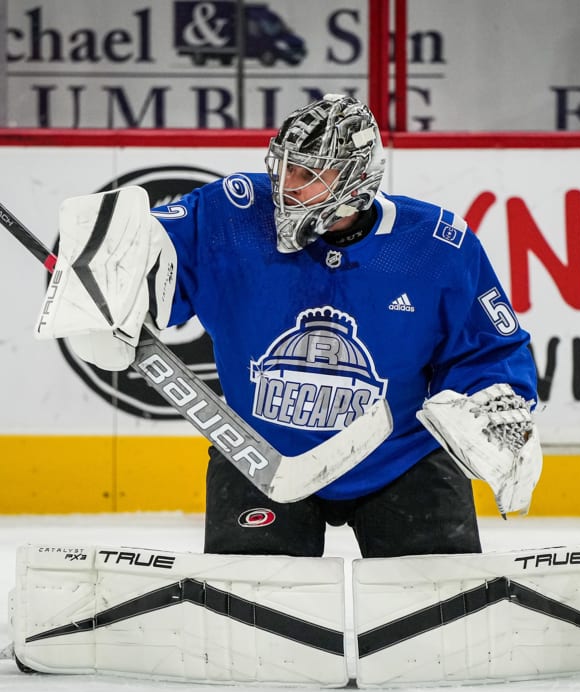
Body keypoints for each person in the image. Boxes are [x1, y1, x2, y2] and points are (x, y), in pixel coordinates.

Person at [36, 94, 541, 559]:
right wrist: (105, 280)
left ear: (356, 182)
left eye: (309, 176)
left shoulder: (436, 246)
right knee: (249, 618)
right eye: (285, 169)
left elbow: (489, 349)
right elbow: (150, 243)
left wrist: (498, 400)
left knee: (441, 615)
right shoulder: (231, 214)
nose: (286, 187)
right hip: (259, 459)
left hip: (401, 461)